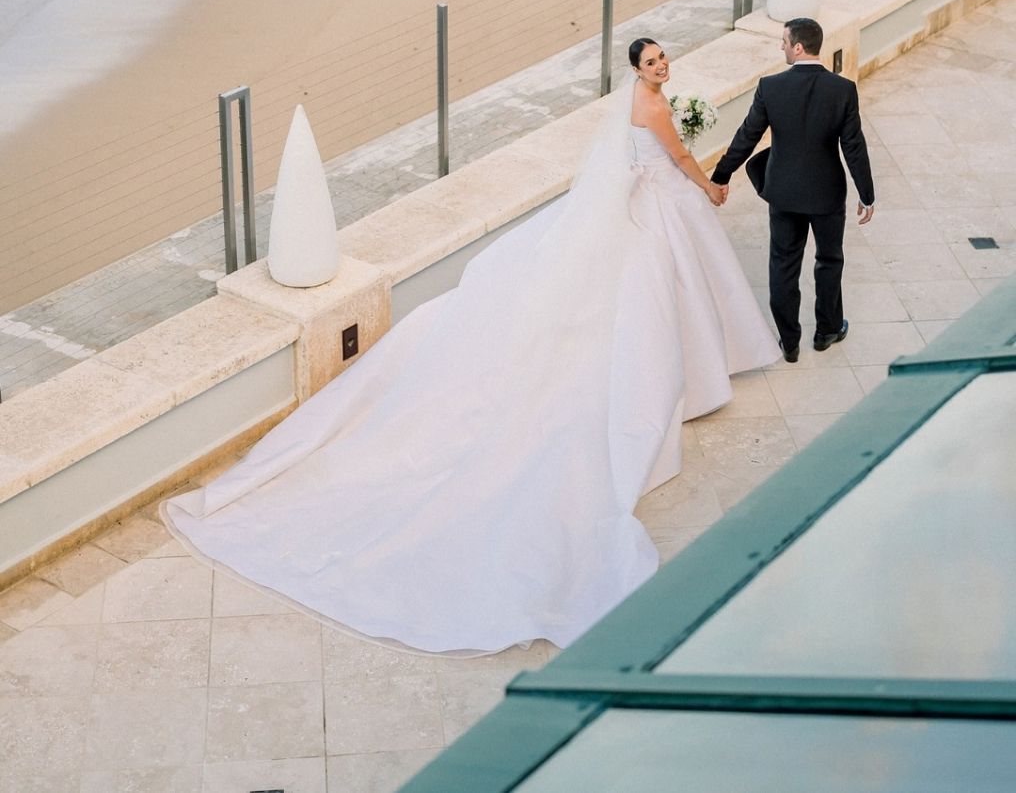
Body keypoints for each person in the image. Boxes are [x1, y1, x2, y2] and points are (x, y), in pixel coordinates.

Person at [163, 38, 778, 654]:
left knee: (660, 292)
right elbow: (673, 158)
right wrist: (708, 185)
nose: (662, 67)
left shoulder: (638, 103)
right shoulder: (658, 110)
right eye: (652, 64)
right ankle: (695, 374)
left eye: (664, 60)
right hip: (660, 197)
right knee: (659, 296)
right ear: (637, 71)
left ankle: (701, 369)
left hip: (643, 198)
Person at [711, 17, 875, 364]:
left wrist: (721, 175)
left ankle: (789, 341)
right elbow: (854, 147)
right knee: (829, 260)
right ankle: (827, 330)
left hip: (783, 193)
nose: (781, 47)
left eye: (784, 42)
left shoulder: (770, 87)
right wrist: (866, 194)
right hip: (827, 193)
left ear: (798, 47)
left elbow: (746, 137)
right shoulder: (843, 90)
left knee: (783, 264)